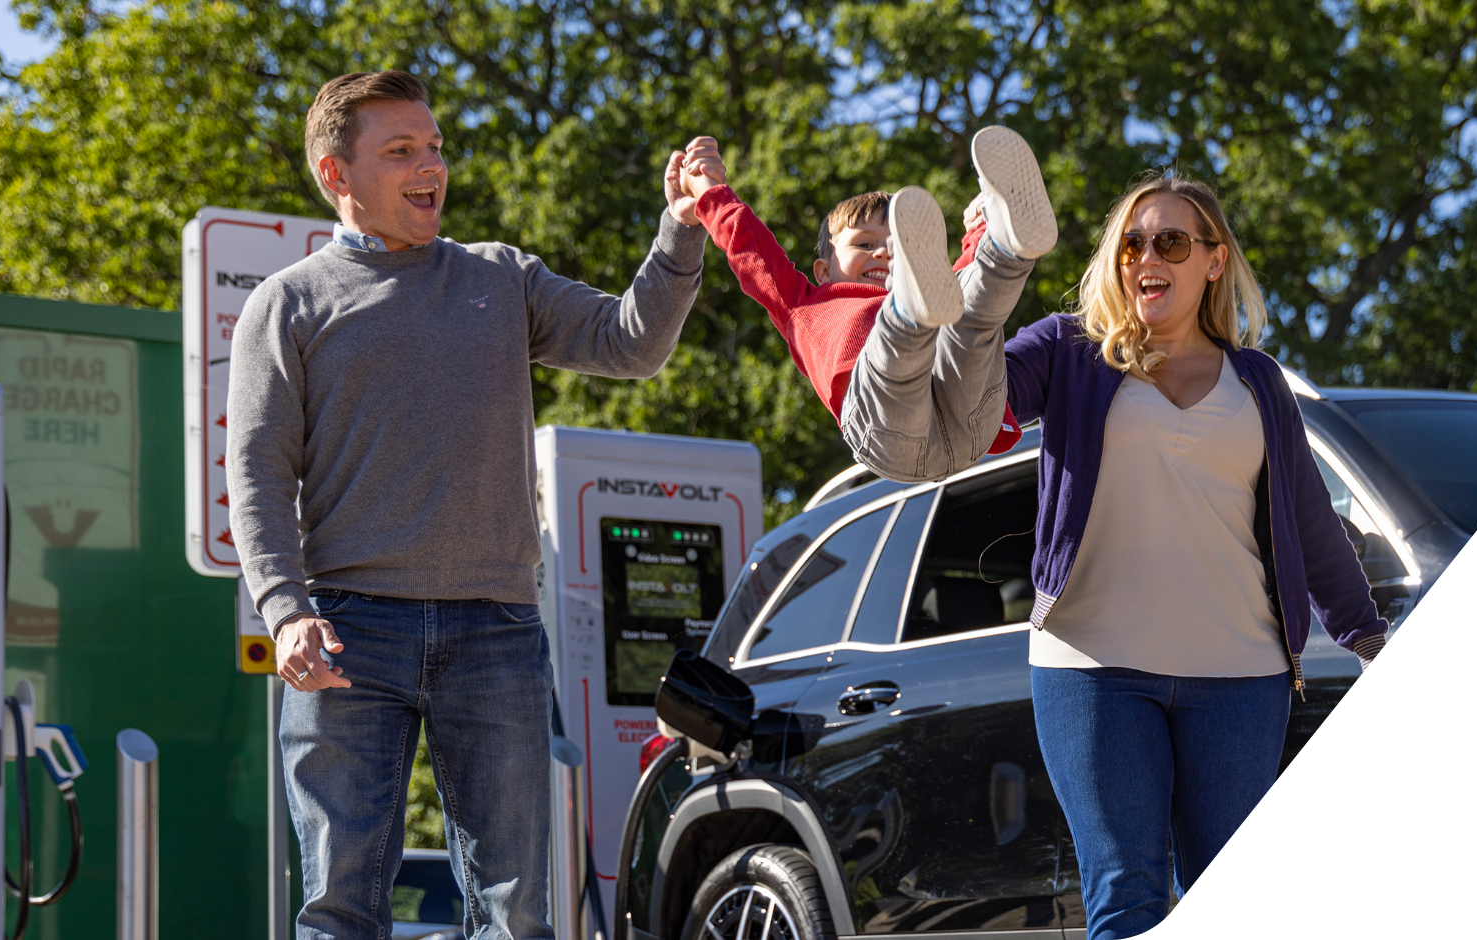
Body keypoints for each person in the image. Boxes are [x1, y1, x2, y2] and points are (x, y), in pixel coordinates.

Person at [226, 69, 717, 940]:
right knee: (340, 907)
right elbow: (259, 474)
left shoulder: (502, 278)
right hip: (346, 631)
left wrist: (680, 229)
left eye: (437, 146)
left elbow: (630, 345)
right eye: (403, 150)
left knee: (516, 909)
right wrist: (285, 610)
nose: (433, 166)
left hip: (495, 627)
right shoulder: (287, 304)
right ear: (337, 175)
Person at [841, 174, 1391, 939]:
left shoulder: (1259, 382)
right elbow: (980, 407)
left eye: (1169, 241)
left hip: (1241, 680)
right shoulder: (1069, 350)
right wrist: (979, 269)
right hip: (1093, 669)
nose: (1145, 257)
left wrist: (1366, 637)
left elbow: (1309, 520)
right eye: (1131, 243)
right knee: (1127, 893)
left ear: (1214, 260)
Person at [682, 125, 1059, 480]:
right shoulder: (803, 304)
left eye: (896, 243)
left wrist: (980, 230)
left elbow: (966, 282)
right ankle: (907, 312)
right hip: (889, 430)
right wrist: (711, 194)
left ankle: (1010, 247)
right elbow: (750, 248)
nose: (881, 252)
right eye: (864, 244)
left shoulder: (936, 292)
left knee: (971, 317)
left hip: (973, 420)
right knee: (897, 348)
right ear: (824, 270)